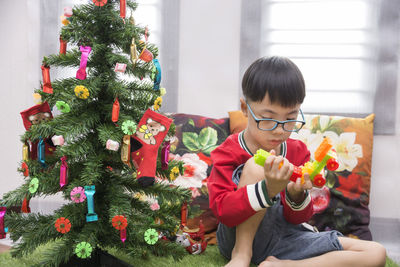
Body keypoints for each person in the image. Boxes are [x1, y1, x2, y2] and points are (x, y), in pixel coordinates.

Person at [207, 56, 386, 267]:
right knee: (257, 165)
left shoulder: (298, 151)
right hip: (235, 238)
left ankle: (286, 265)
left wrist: (296, 194)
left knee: (376, 253)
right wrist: (268, 189)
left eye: (290, 118)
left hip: (285, 240)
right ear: (245, 109)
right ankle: (242, 255)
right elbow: (224, 212)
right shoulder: (228, 152)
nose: (280, 129)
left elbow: (297, 219)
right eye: (268, 118)